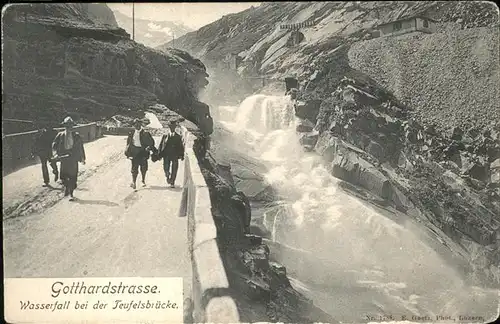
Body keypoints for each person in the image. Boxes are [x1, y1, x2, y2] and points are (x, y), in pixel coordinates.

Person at [52, 117, 86, 201]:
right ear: (64, 126)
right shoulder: (60, 135)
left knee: (73, 177)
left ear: (72, 126)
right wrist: (55, 154)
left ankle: (71, 193)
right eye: (67, 126)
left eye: (70, 126)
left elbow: (80, 147)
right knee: (63, 177)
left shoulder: (76, 136)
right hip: (64, 159)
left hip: (73, 159)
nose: (68, 127)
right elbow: (54, 145)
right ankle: (67, 188)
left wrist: (82, 158)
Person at [125, 118, 155, 189]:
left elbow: (152, 142)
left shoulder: (146, 133)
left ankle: (143, 180)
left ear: (140, 125)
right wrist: (128, 152)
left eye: (138, 125)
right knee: (134, 168)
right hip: (135, 152)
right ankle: (134, 182)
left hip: (143, 152)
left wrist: (149, 147)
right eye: (135, 125)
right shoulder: (131, 133)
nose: (137, 126)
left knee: (143, 167)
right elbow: (128, 143)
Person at [158, 120, 185, 188]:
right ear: (169, 127)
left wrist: (181, 155)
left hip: (175, 155)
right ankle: (167, 175)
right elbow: (161, 145)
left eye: (173, 127)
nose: (172, 128)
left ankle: (172, 182)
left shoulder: (178, 136)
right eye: (171, 127)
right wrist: (159, 154)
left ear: (175, 127)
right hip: (166, 155)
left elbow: (181, 146)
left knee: (174, 168)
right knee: (165, 168)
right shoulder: (165, 136)